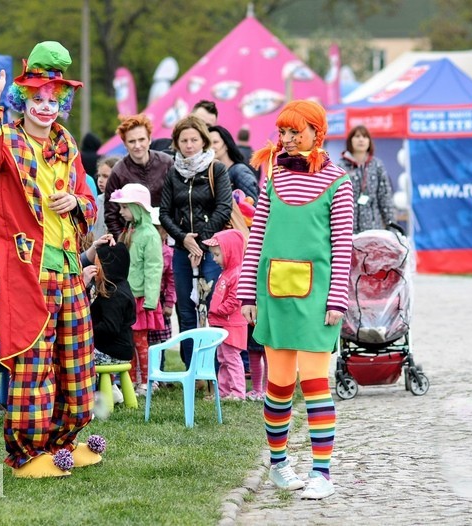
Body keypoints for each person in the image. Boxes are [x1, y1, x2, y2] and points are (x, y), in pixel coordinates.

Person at [0, 41, 98, 478]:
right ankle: (28, 453)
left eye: (53, 99)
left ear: (62, 103)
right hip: (31, 271)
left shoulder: (68, 146)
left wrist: (76, 203)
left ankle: (65, 442)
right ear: (22, 100)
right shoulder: (7, 140)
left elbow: (89, 201)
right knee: (34, 362)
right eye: (36, 98)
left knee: (77, 359)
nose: (45, 106)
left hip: (68, 268)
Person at [240, 100, 354, 500]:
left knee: (317, 384)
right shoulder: (270, 176)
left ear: (316, 132)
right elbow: (257, 237)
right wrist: (246, 291)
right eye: (282, 132)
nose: (286, 140)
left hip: (318, 300)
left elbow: (343, 248)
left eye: (295, 132)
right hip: (273, 294)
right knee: (279, 385)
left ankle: (322, 471)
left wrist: (336, 299)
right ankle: (278, 465)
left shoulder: (339, 182)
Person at [159, 115, 232, 368]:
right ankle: (193, 369)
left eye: (194, 140)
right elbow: (164, 213)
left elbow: (224, 208)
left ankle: (216, 370)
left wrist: (200, 241)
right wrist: (183, 239)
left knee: (212, 307)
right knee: (186, 310)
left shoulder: (216, 169)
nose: (189, 145)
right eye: (184, 140)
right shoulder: (172, 174)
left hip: (212, 251)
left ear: (203, 141)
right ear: (176, 144)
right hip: (181, 250)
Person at [109, 183, 164, 395]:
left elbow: (153, 268)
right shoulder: (131, 230)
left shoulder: (149, 234)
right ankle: (131, 380)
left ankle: (147, 381)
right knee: (129, 341)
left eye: (125, 207)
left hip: (141, 299)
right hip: (128, 297)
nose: (121, 211)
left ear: (138, 207)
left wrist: (151, 300)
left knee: (141, 342)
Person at [103, 114, 174, 239]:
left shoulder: (167, 163)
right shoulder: (118, 172)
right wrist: (125, 243)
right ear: (125, 143)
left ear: (149, 139)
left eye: (141, 139)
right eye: (131, 141)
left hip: (167, 236)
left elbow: (179, 201)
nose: (137, 145)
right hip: (133, 239)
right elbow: (111, 215)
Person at [202, 229, 247, 401]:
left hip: (232, 325)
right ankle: (224, 391)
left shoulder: (237, 273)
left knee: (232, 359)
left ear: (230, 252)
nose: (214, 259)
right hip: (222, 324)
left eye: (217, 255)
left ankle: (237, 392)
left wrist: (216, 311)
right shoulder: (227, 271)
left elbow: (234, 300)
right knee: (223, 358)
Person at [339, 125, 394, 233]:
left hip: (373, 228)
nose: (361, 139)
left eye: (365, 136)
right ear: (350, 141)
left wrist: (391, 226)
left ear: (369, 141)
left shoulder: (377, 165)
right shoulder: (341, 167)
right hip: (347, 229)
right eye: (357, 136)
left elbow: (385, 198)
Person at [147, 208, 176, 350]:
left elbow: (171, 280)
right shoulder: (143, 247)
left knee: (159, 341)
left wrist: (169, 303)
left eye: (159, 229)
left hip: (160, 300)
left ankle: (159, 367)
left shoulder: (168, 253)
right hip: (145, 299)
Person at [208, 125, 260, 203]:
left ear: (226, 145)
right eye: (208, 143)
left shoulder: (240, 171)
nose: (211, 147)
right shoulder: (213, 173)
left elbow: (252, 205)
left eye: (215, 142)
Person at [94, 155, 120, 238]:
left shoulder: (122, 203)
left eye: (105, 176)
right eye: (99, 176)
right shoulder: (98, 199)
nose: (100, 180)